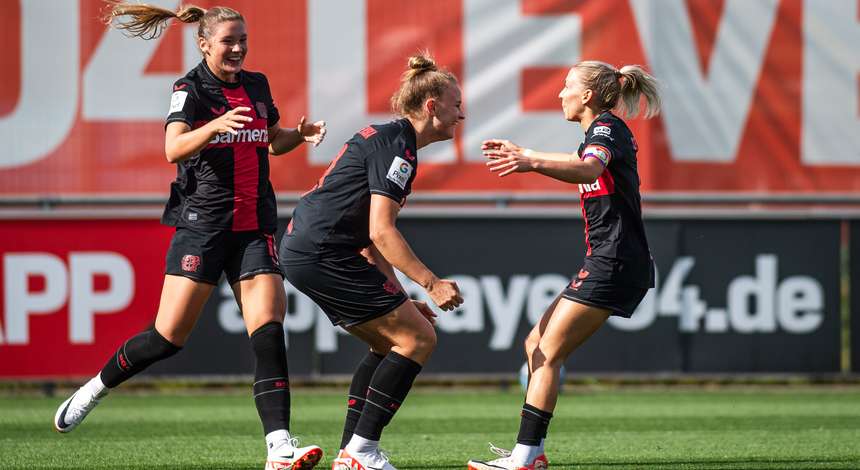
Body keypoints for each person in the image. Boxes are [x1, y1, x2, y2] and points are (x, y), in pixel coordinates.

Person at [53, 3, 327, 469]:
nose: (238, 48)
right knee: (167, 338)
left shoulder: (257, 85)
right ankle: (95, 387)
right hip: (203, 229)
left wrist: (297, 135)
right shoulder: (190, 89)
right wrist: (214, 126)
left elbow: (271, 139)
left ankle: (280, 448)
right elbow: (172, 148)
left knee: (268, 331)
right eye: (228, 41)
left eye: (242, 40)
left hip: (253, 227)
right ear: (204, 44)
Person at [467, 61, 661, 470]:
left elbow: (588, 168)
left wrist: (530, 161)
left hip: (615, 261)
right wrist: (526, 155)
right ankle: (531, 451)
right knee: (535, 345)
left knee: (547, 353)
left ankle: (526, 457)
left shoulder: (607, 129)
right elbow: (579, 163)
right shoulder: (598, 133)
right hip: (609, 259)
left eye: (567, 86)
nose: (560, 93)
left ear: (587, 95)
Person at [278, 54, 464, 470]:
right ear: (431, 106)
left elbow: (369, 241)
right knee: (418, 340)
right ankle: (360, 452)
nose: (462, 114)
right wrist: (431, 283)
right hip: (322, 252)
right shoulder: (398, 147)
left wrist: (398, 296)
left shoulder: (391, 138)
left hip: (309, 249)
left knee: (388, 343)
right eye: (456, 105)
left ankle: (351, 452)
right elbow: (381, 232)